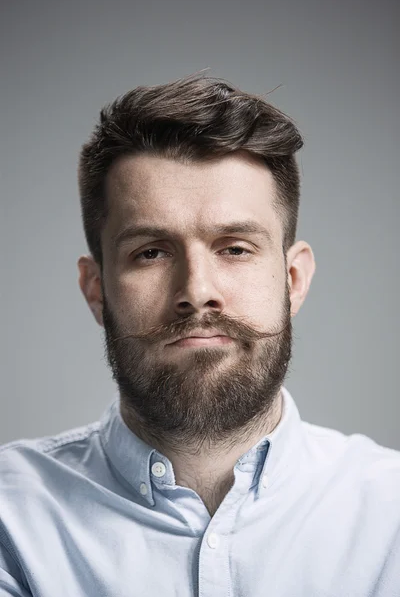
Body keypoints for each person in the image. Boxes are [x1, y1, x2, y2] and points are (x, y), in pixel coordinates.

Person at [1, 72, 399, 597]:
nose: (197, 291)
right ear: (96, 289)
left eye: (234, 247)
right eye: (151, 252)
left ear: (293, 279)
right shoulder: (10, 520)